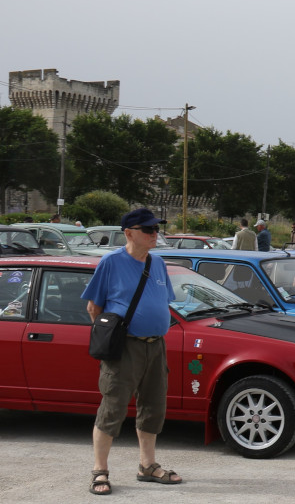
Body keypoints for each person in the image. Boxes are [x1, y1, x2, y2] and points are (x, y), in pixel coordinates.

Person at [82, 208, 182, 495]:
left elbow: (163, 303)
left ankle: (147, 466)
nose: (155, 234)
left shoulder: (158, 263)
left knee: (153, 407)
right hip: (126, 347)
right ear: (129, 233)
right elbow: (94, 308)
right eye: (148, 229)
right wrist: (112, 339)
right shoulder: (111, 262)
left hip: (156, 346)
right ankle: (100, 471)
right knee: (112, 408)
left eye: (156, 229)